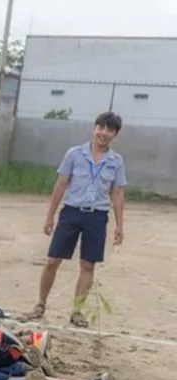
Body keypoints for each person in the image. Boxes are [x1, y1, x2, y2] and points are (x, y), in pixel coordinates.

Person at [23, 112, 127, 328]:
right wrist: (50, 216)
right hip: (71, 212)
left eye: (110, 130)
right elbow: (61, 184)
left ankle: (77, 311)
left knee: (88, 265)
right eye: (101, 128)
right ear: (94, 128)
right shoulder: (75, 154)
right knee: (53, 261)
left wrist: (120, 225)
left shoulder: (116, 162)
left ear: (115, 134)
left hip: (97, 216)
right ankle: (40, 303)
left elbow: (117, 193)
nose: (104, 133)